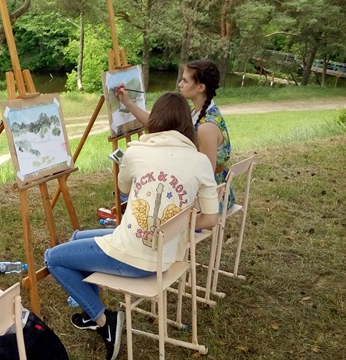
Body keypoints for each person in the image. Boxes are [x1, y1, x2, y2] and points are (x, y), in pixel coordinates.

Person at [44, 92, 219, 360]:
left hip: (133, 256)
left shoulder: (137, 150)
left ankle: (104, 320)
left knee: (54, 258)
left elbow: (124, 188)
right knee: (77, 236)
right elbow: (210, 219)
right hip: (164, 256)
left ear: (155, 118)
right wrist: (177, 223)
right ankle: (95, 313)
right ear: (186, 123)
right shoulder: (200, 161)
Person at [117, 60, 234, 207]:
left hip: (213, 198)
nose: (180, 84)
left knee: (146, 195)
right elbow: (157, 124)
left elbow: (207, 176)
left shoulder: (207, 127)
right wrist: (128, 103)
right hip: (198, 189)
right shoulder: (195, 112)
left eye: (185, 81)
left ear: (200, 87)